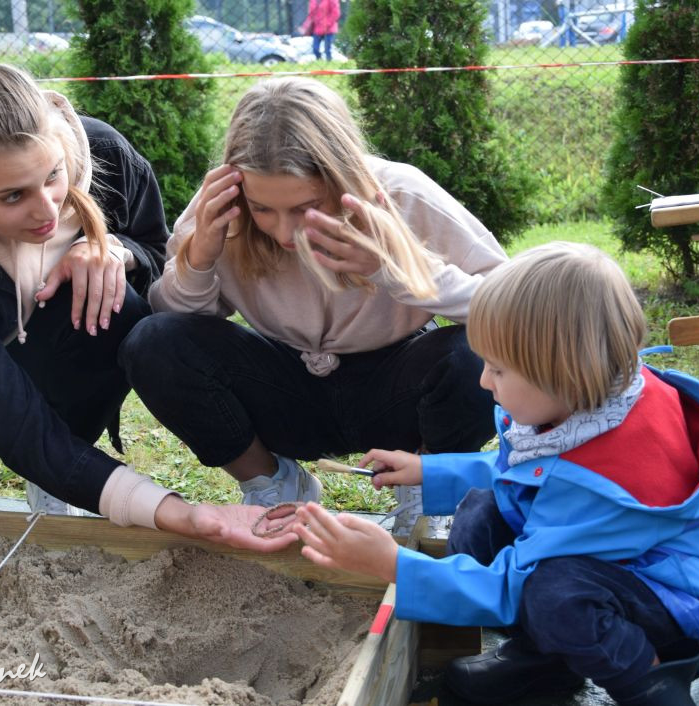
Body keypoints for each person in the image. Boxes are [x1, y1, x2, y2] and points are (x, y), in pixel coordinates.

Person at [0, 42, 296, 553]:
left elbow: (159, 255)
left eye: (53, 176)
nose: (46, 210)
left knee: (115, 299)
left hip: (54, 350)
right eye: (12, 196)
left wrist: (117, 252)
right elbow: (4, 416)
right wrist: (178, 514)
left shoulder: (105, 151)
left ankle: (61, 471)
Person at [292, 242, 699, 705]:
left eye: (498, 369)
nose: (484, 381)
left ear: (561, 372)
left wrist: (393, 564)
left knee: (554, 595)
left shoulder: (603, 480)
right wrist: (428, 471)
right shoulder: (591, 400)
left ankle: (651, 684)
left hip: (672, 607)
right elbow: (523, 472)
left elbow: (515, 585)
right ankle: (545, 662)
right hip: (606, 562)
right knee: (480, 511)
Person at [120, 77, 505, 529]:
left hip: (399, 392)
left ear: (342, 177)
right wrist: (199, 260)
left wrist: (395, 268)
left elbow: (514, 309)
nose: (283, 233)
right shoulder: (222, 208)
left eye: (304, 207)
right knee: (151, 340)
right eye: (263, 209)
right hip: (289, 391)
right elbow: (176, 335)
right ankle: (273, 483)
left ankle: (425, 486)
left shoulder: (403, 195)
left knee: (474, 351)